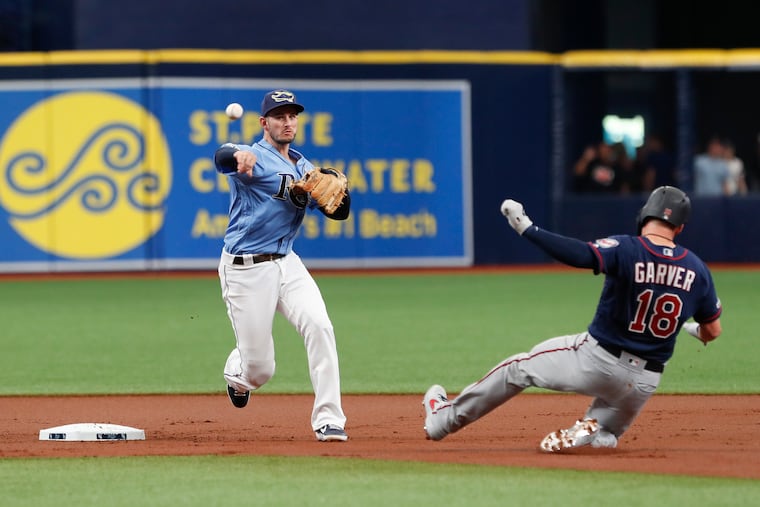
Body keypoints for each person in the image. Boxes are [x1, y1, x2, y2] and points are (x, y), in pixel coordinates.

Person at [423, 186, 723, 452]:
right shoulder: (698, 269)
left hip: (596, 362)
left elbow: (582, 254)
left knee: (518, 368)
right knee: (607, 433)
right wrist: (696, 329)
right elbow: (713, 330)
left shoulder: (628, 248)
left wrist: (526, 228)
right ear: (680, 228)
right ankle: (597, 433)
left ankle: (444, 420)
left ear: (645, 215)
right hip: (643, 383)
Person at [213, 89, 350, 442]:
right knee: (260, 371)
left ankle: (329, 419)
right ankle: (238, 371)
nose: (287, 121)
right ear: (264, 123)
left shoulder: (304, 167)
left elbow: (340, 213)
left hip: (287, 263)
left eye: (292, 115)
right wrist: (237, 154)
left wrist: (340, 194)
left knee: (320, 325)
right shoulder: (252, 158)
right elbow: (223, 157)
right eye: (279, 116)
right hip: (245, 269)